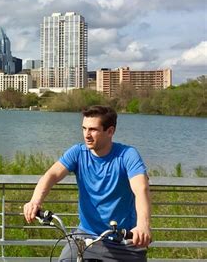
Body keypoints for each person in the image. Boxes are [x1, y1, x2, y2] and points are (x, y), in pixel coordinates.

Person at [23, 105, 151, 262]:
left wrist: (143, 225)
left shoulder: (127, 155)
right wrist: (35, 201)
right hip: (86, 236)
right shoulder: (78, 152)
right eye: (84, 128)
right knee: (65, 259)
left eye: (93, 130)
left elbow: (141, 189)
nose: (86, 135)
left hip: (124, 238)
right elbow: (51, 175)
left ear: (110, 131)